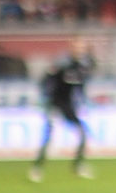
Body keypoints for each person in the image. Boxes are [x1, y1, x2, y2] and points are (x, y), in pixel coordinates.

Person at [32, 42, 93, 182]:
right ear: (72, 49)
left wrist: (83, 102)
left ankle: (78, 166)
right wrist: (46, 97)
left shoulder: (82, 68)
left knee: (83, 133)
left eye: (82, 48)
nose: (79, 50)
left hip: (68, 105)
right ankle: (37, 167)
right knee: (49, 136)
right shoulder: (62, 65)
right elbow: (46, 80)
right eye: (77, 47)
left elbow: (80, 88)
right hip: (55, 104)